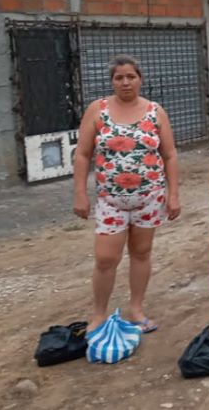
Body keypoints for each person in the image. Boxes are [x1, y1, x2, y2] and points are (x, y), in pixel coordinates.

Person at [72, 54, 182, 334]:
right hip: (111, 201)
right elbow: (82, 154)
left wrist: (173, 195)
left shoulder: (155, 111)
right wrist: (80, 193)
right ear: (112, 81)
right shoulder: (97, 110)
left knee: (141, 253)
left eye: (131, 76)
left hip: (149, 198)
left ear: (140, 79)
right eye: (119, 77)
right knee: (105, 259)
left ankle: (136, 309)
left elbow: (169, 155)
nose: (125, 82)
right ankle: (98, 315)